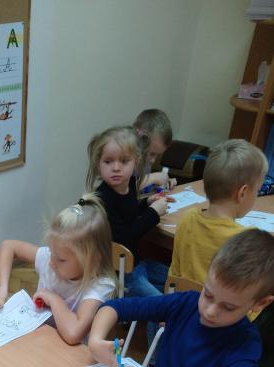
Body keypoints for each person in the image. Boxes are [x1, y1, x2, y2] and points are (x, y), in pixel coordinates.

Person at [87, 229, 274, 367]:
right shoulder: (185, 303)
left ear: (261, 303)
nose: (210, 311)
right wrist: (95, 341)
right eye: (208, 295)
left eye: (228, 307)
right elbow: (114, 307)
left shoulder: (246, 342)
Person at [0, 195, 116, 344]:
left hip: (69, 354)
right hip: (39, 341)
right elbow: (8, 246)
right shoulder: (52, 258)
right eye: (51, 252)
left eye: (61, 259)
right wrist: (2, 288)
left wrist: (53, 299)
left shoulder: (99, 286)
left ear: (91, 260)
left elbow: (73, 333)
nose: (51, 263)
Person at [169, 139, 268, 284]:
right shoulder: (247, 241)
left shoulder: (187, 218)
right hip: (215, 299)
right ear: (242, 193)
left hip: (180, 297)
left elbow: (174, 274)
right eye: (258, 190)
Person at [87, 125, 169, 299]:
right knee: (162, 304)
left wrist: (146, 203)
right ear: (98, 164)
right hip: (120, 271)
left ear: (136, 162)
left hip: (138, 262)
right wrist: (153, 213)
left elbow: (128, 212)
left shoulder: (129, 183)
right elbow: (125, 236)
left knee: (177, 279)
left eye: (124, 161)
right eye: (108, 161)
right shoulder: (102, 198)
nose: (116, 168)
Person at [133, 108, 176, 192]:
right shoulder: (122, 158)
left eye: (158, 155)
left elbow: (142, 189)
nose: (153, 161)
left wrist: (163, 182)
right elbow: (122, 189)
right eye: (152, 154)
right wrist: (153, 178)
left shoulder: (145, 161)